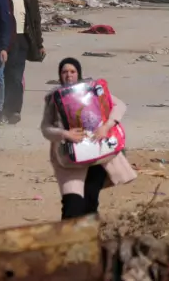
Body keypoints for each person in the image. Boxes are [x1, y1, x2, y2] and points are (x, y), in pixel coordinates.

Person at [41, 58, 136, 220]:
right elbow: (46, 128)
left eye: (72, 72)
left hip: (98, 156)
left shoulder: (92, 91)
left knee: (90, 202)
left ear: (79, 74)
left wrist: (105, 127)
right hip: (70, 158)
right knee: (72, 205)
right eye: (64, 72)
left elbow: (119, 105)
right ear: (59, 75)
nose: (69, 75)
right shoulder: (54, 98)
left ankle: (91, 240)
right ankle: (69, 242)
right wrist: (65, 134)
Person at [0, 0, 45, 124]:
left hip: (21, 40)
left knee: (16, 77)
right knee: (2, 76)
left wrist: (39, 45)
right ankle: (1, 109)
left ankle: (14, 110)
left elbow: (35, 24)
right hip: (3, 41)